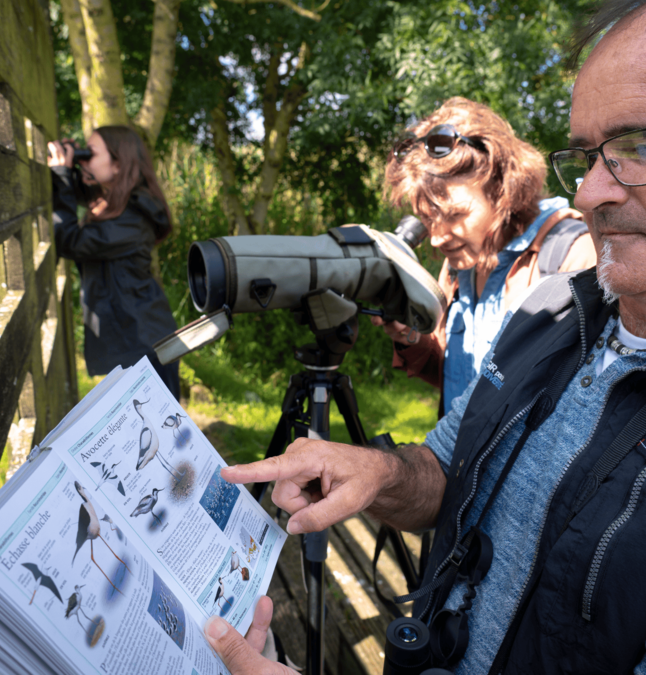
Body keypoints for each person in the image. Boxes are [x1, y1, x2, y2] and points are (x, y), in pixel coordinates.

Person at [200, 1, 646, 673]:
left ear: (500, 183)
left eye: (634, 149)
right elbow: (474, 443)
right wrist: (380, 464)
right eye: (585, 158)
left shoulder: (568, 263)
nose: (590, 194)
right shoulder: (544, 304)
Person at [373, 98, 596, 415]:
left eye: (454, 215)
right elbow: (458, 376)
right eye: (428, 219)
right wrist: (409, 333)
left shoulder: (572, 255)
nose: (436, 237)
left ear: (503, 190)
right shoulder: (456, 268)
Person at [48, 126, 180, 399]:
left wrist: (62, 175)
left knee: (161, 434)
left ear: (118, 164)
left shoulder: (133, 218)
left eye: (91, 153)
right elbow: (76, 194)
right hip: (135, 337)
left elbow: (69, 240)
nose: (85, 159)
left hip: (144, 344)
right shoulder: (117, 204)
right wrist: (70, 167)